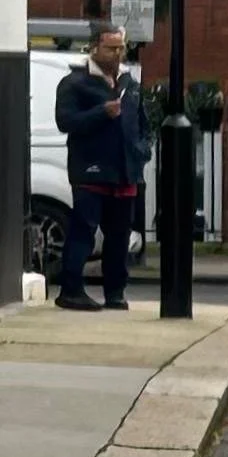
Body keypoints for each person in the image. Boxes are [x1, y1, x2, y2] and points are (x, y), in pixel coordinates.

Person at [55, 27, 150, 312]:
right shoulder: (75, 83)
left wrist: (143, 150)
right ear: (94, 47)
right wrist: (101, 113)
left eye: (120, 47)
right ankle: (71, 291)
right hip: (91, 170)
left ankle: (115, 293)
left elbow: (142, 121)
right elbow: (66, 121)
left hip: (125, 170)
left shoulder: (128, 82)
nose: (117, 53)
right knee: (84, 230)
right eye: (111, 48)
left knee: (119, 235)